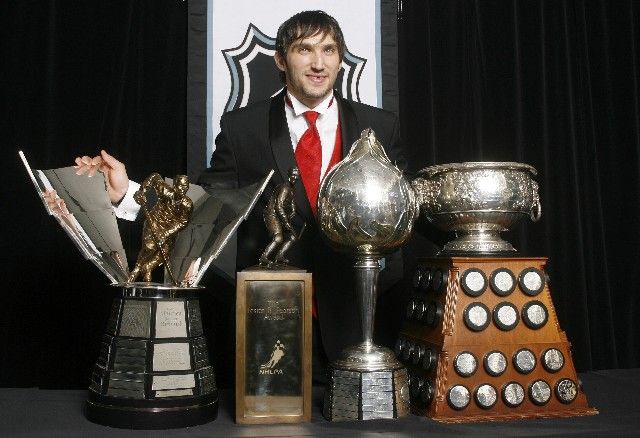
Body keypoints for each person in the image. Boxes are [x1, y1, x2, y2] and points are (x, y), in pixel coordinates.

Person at [72, 10, 407, 381]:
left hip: (357, 323)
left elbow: (403, 208)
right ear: (280, 59)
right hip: (273, 329)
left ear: (341, 59)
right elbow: (207, 204)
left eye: (329, 50)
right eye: (304, 49)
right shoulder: (242, 127)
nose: (318, 63)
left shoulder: (379, 127)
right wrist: (130, 193)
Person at [128, 173, 193, 283]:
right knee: (149, 247)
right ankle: (136, 270)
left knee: (164, 254)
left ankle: (147, 268)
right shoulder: (165, 191)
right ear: (174, 185)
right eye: (181, 185)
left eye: (186, 186)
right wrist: (142, 191)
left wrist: (166, 233)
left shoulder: (187, 204)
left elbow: (183, 221)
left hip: (168, 230)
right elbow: (154, 177)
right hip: (154, 222)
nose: (183, 189)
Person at [259, 167, 302, 267]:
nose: (295, 178)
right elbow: (278, 206)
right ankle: (263, 257)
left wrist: (293, 210)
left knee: (292, 237)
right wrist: (286, 222)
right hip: (272, 214)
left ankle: (279, 255)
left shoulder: (291, 189)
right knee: (278, 238)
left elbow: (291, 203)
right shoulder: (285, 188)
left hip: (281, 215)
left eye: (297, 176)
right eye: (293, 175)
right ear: (289, 175)